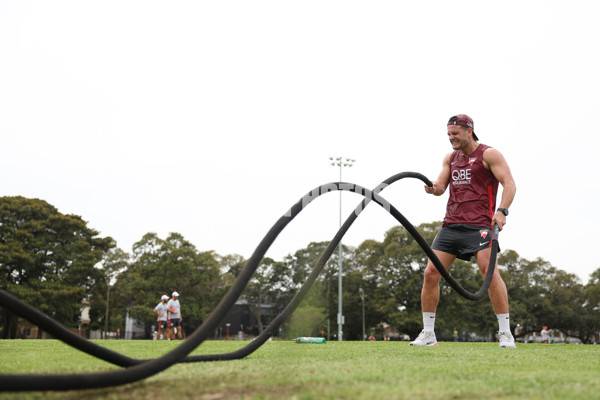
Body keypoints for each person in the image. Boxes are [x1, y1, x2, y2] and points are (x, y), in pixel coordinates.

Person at [410, 114, 517, 349]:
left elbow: (510, 183)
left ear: (469, 131)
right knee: (430, 274)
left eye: (455, 133)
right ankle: (428, 334)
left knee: (489, 272)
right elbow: (440, 187)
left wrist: (502, 211)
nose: (451, 138)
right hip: (451, 224)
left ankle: (506, 333)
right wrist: (432, 188)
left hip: (480, 225)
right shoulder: (451, 158)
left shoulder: (489, 155)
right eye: (449, 134)